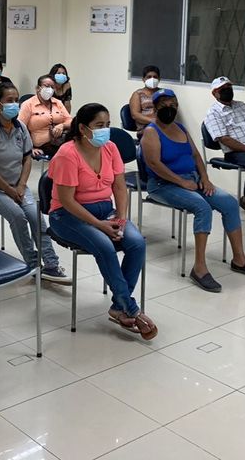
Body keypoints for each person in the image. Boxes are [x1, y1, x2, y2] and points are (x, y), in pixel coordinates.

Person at [47, 103, 157, 340]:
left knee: (137, 243)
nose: (105, 130)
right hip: (67, 215)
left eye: (107, 124)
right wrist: (100, 226)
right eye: (99, 125)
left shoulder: (110, 148)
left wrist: (121, 218)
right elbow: (66, 201)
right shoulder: (67, 153)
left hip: (105, 211)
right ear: (82, 128)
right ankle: (131, 308)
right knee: (105, 245)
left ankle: (118, 307)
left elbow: (119, 187)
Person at [143, 89, 245, 292]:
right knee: (202, 207)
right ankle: (199, 268)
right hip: (163, 185)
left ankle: (239, 259)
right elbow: (154, 164)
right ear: (154, 108)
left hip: (193, 181)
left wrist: (206, 179)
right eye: (163, 105)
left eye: (172, 105)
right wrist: (181, 182)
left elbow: (197, 156)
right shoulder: (151, 132)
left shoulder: (181, 128)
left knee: (229, 203)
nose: (169, 108)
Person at [0, 83, 69, 284]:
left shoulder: (20, 127)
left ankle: (51, 265)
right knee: (17, 216)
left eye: (16, 100)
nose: (15, 104)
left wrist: (21, 185)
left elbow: (27, 158)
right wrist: (7, 189)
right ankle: (33, 264)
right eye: (10, 100)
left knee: (36, 217)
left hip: (17, 185)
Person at [204, 76, 245, 219]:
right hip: (235, 152)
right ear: (214, 93)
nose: (228, 90)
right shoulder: (213, 113)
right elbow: (224, 139)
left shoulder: (241, 105)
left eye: (229, 87)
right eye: (223, 89)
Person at [18, 74, 72, 158]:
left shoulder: (57, 103)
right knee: (67, 154)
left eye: (52, 87)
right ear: (38, 88)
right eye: (47, 86)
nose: (50, 90)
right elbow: (20, 128)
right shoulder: (28, 104)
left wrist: (62, 125)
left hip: (60, 140)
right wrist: (29, 148)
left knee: (75, 149)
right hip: (41, 144)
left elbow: (70, 121)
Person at [128, 65, 161, 136]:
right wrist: (154, 121)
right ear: (143, 79)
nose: (152, 79)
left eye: (155, 77)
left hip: (163, 127)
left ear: (159, 79)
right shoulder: (138, 94)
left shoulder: (163, 93)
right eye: (149, 77)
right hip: (145, 129)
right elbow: (135, 115)